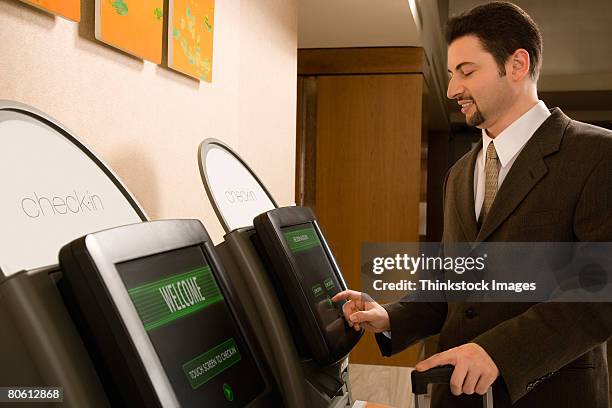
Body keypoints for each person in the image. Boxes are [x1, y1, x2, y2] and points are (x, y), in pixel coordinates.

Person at [333, 2, 612, 407]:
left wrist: (498, 352)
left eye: (467, 71)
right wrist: (392, 316)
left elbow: (599, 292)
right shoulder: (460, 174)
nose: (451, 90)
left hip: (551, 394)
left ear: (517, 65)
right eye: (450, 74)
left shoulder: (597, 155)